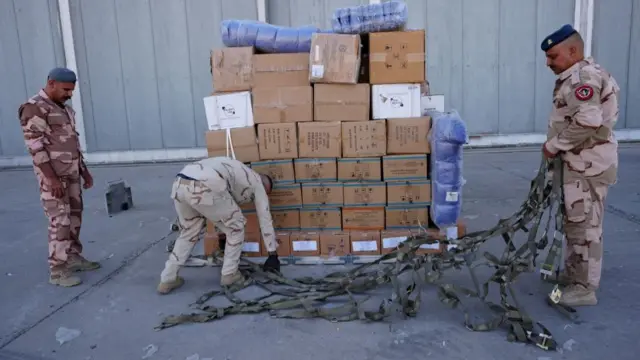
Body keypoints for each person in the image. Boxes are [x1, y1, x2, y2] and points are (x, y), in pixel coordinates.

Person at [541, 24, 619, 306]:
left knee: (586, 226)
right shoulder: (576, 75)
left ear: (573, 51)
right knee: (575, 223)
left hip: (588, 167)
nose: (548, 63)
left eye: (553, 56)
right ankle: (574, 276)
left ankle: (584, 288)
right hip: (579, 165)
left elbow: (588, 121)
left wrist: (553, 146)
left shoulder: (582, 77)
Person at [18, 67, 100, 287]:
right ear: (51, 83)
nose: (69, 94)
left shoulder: (62, 108)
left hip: (71, 173)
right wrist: (52, 180)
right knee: (60, 221)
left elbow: (71, 142)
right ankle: (58, 270)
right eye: (65, 89)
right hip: (53, 177)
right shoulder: (34, 108)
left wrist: (83, 170)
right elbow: (35, 147)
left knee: (74, 218)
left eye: (72, 90)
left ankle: (72, 256)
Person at [157, 157, 280, 294]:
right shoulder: (258, 183)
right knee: (236, 228)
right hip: (206, 184)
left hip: (180, 182)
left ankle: (167, 279)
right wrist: (272, 253)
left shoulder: (238, 168)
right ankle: (229, 275)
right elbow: (265, 218)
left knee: (188, 232)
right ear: (265, 185)